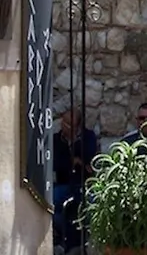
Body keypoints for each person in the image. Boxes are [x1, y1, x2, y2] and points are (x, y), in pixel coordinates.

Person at [52, 107, 98, 252]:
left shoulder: (88, 137)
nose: (63, 126)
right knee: (51, 203)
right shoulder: (56, 140)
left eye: (68, 124)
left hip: (83, 184)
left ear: (77, 127)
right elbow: (57, 164)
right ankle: (65, 239)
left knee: (92, 204)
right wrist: (76, 161)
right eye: (63, 122)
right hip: (63, 184)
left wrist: (75, 148)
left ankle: (83, 241)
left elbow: (89, 159)